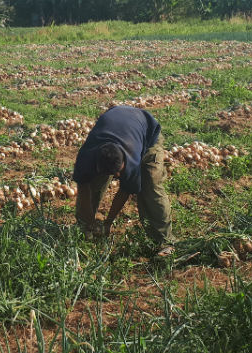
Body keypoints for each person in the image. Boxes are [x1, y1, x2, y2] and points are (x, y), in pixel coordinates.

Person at [73, 106, 175, 256]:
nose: (117, 177)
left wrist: (108, 222)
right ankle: (84, 229)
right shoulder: (86, 158)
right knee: (94, 183)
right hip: (119, 123)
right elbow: (84, 190)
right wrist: (89, 222)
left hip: (146, 133)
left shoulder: (131, 159)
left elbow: (125, 191)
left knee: (150, 188)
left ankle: (165, 241)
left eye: (119, 173)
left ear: (123, 164)